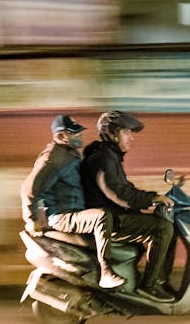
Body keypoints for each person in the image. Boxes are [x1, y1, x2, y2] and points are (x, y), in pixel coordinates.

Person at [20, 114, 124, 289]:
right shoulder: (55, 157)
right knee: (101, 217)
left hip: (74, 212)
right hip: (63, 216)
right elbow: (29, 190)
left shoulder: (69, 155)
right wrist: (32, 221)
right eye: (74, 133)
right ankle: (106, 273)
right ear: (61, 136)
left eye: (79, 132)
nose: (80, 136)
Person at [80, 110, 175, 302]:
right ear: (113, 134)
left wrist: (152, 198)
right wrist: (152, 199)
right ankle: (150, 286)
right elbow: (118, 193)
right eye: (126, 133)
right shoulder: (104, 158)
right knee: (163, 228)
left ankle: (158, 281)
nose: (131, 138)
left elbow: (125, 189)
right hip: (111, 221)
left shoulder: (109, 156)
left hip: (115, 216)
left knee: (164, 225)